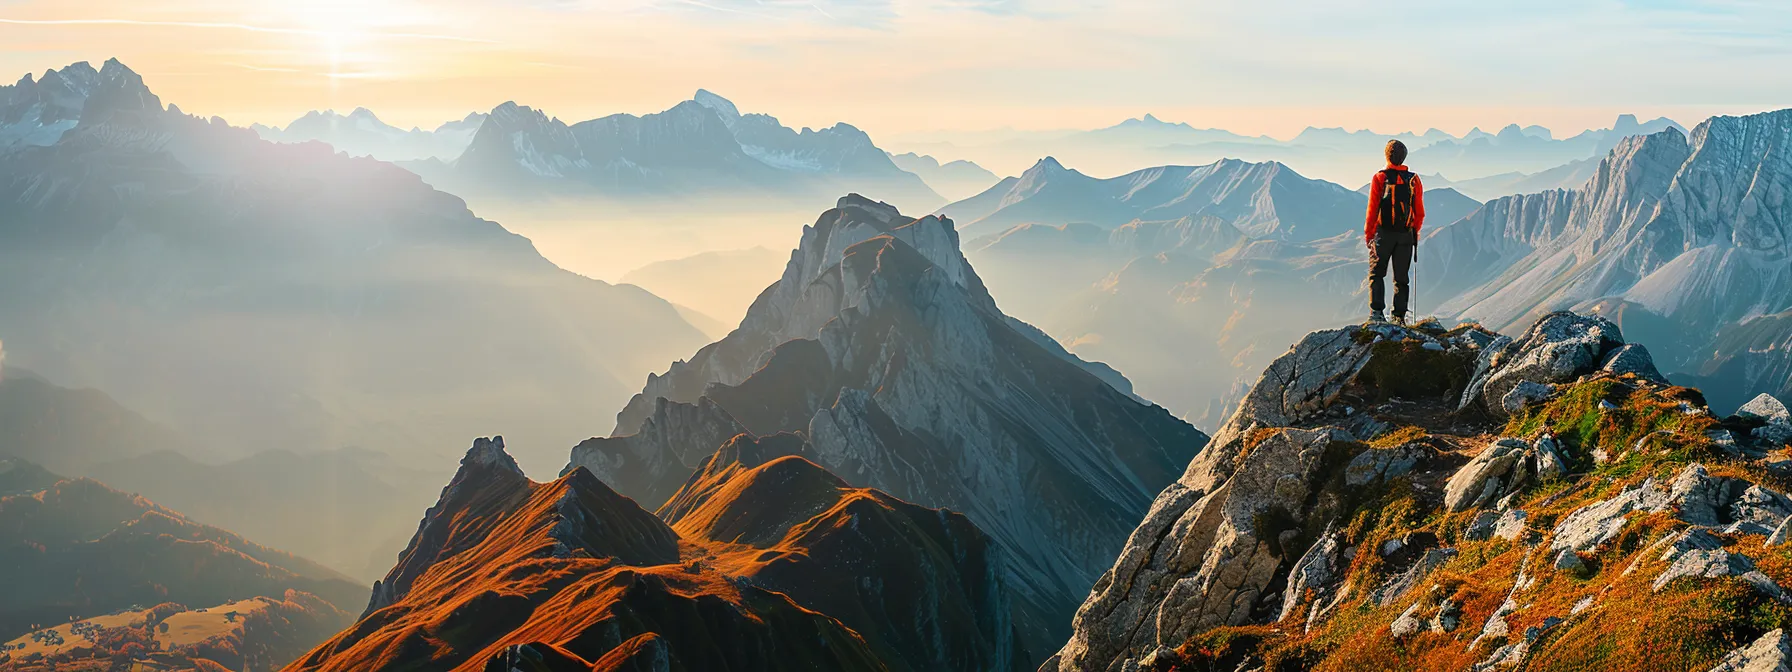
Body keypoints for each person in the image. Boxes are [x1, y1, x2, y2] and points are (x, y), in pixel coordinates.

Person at [1364, 139, 1425, 325]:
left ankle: (1377, 314)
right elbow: (1419, 212)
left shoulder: (1380, 178)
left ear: (1386, 156)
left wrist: (1369, 235)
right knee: (1401, 278)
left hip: (1383, 233)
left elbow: (1372, 210)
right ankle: (1399, 316)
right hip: (1406, 234)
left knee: (1377, 273)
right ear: (1404, 157)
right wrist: (1414, 232)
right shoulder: (1414, 180)